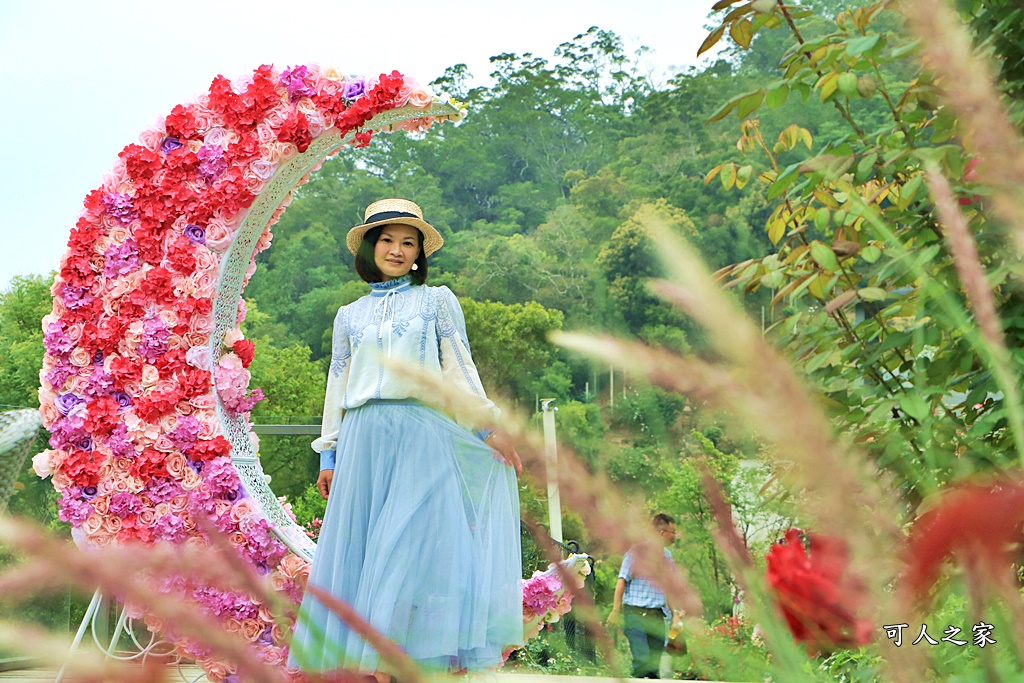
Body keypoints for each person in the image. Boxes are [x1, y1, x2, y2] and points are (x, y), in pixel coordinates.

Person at [288, 198, 524, 679]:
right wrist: (328, 454)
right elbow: (338, 384)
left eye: (408, 242)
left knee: (404, 550)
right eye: (387, 240)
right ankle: (377, 670)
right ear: (370, 249)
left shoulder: (437, 301)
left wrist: (488, 427)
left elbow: (458, 370)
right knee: (365, 552)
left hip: (419, 437)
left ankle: (394, 666)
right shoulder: (348, 315)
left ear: (419, 253)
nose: (397, 250)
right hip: (361, 444)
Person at [607, 513, 679, 679]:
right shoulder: (636, 553)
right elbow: (622, 581)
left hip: (657, 617)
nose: (675, 536)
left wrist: (675, 615)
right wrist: (616, 610)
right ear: (662, 533)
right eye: (673, 532)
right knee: (642, 660)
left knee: (653, 667)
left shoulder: (667, 557)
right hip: (635, 615)